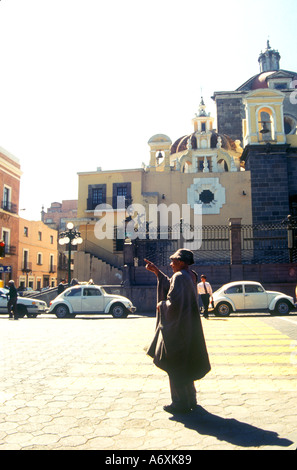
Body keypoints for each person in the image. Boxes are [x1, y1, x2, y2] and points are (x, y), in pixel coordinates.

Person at [145, 249, 211, 414]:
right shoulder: (191, 275)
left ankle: (180, 403)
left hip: (178, 328)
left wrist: (161, 306)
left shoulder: (179, 277)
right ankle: (191, 399)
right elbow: (176, 291)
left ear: (182, 262)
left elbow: (173, 304)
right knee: (185, 364)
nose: (171, 264)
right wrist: (157, 272)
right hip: (189, 325)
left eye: (173, 261)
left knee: (175, 365)